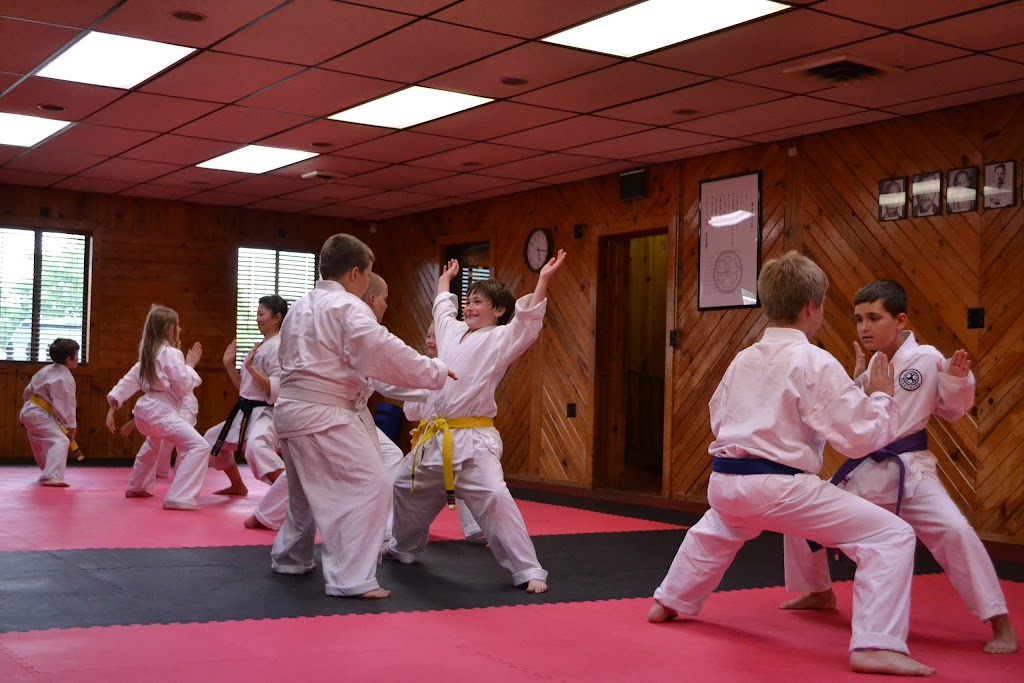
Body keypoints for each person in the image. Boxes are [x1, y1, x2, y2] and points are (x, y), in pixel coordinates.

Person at [647, 251, 935, 677]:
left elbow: (719, 415)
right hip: (779, 487)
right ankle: (876, 644)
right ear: (811, 307)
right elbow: (860, 437)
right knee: (891, 536)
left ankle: (669, 600)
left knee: (718, 530)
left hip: (726, 481)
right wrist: (879, 396)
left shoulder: (744, 358)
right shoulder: (813, 360)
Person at [781, 279, 1017, 655]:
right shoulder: (873, 365)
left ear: (900, 320)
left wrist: (957, 380)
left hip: (911, 473)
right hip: (867, 470)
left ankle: (998, 619)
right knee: (797, 508)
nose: (864, 327)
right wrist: (857, 382)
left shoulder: (926, 358)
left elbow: (953, 410)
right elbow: (855, 417)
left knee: (956, 531)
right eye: (859, 319)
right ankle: (819, 591)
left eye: (874, 318)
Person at [269, 233, 452, 599]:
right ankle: (350, 577)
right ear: (355, 273)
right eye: (368, 274)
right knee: (371, 486)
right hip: (324, 413)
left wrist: (427, 382)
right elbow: (381, 349)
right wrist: (434, 371)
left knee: (303, 493)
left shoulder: (300, 307)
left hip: (289, 412)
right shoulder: (348, 306)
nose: (368, 282)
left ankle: (290, 557)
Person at [387, 250, 567, 595]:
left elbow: (527, 322)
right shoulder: (451, 331)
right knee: (404, 488)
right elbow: (442, 307)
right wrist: (445, 281)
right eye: (468, 302)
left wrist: (543, 280)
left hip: (473, 440)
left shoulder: (501, 339)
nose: (469, 307)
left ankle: (528, 569)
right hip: (435, 441)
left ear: (498, 311)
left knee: (496, 497)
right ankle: (403, 548)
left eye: (478, 303)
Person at [401, 321, 485, 544]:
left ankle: (474, 526)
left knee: (464, 478)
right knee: (410, 487)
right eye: (428, 336)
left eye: (435, 336)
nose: (430, 341)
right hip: (429, 439)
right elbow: (410, 412)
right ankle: (402, 534)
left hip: (457, 435)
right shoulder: (423, 368)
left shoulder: (464, 369)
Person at [125, 304, 210, 511]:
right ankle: (180, 497)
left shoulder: (147, 351)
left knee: (153, 442)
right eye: (176, 325)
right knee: (199, 446)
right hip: (161, 411)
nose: (179, 329)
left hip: (145, 411)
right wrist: (189, 366)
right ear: (167, 328)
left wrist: (114, 402)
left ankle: (136, 486)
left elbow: (131, 380)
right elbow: (182, 387)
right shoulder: (171, 352)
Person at [203, 295, 288, 499]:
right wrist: (229, 366)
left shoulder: (278, 347)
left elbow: (276, 389)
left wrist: (251, 369)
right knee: (211, 441)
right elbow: (245, 388)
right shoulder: (259, 346)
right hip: (246, 411)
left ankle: (291, 492)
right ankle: (237, 485)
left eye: (261, 314)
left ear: (277, 318)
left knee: (257, 447)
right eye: (257, 314)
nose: (257, 319)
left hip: (266, 413)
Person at [105, 361, 198, 487]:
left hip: (180, 405)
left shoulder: (166, 358)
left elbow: (182, 386)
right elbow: (126, 384)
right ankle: (171, 482)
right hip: (159, 409)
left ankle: (141, 485)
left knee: (188, 444)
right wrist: (189, 366)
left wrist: (188, 366)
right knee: (192, 445)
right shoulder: (147, 363)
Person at [19, 338, 81, 487]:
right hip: (39, 413)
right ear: (69, 359)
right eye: (77, 355)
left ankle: (47, 471)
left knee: (41, 440)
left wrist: (29, 406)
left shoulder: (46, 370)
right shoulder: (64, 378)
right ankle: (51, 475)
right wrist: (71, 427)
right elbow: (66, 405)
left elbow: (28, 390)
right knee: (61, 441)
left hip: (30, 409)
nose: (78, 358)